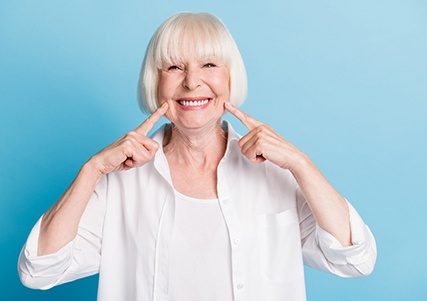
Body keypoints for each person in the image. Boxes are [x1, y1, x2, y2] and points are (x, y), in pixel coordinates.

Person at [18, 12, 376, 301]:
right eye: (174, 67)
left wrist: (301, 163)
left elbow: (355, 259)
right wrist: (92, 169)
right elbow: (39, 271)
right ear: (155, 82)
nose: (191, 83)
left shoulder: (276, 174)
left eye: (208, 65)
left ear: (230, 77)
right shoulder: (118, 184)